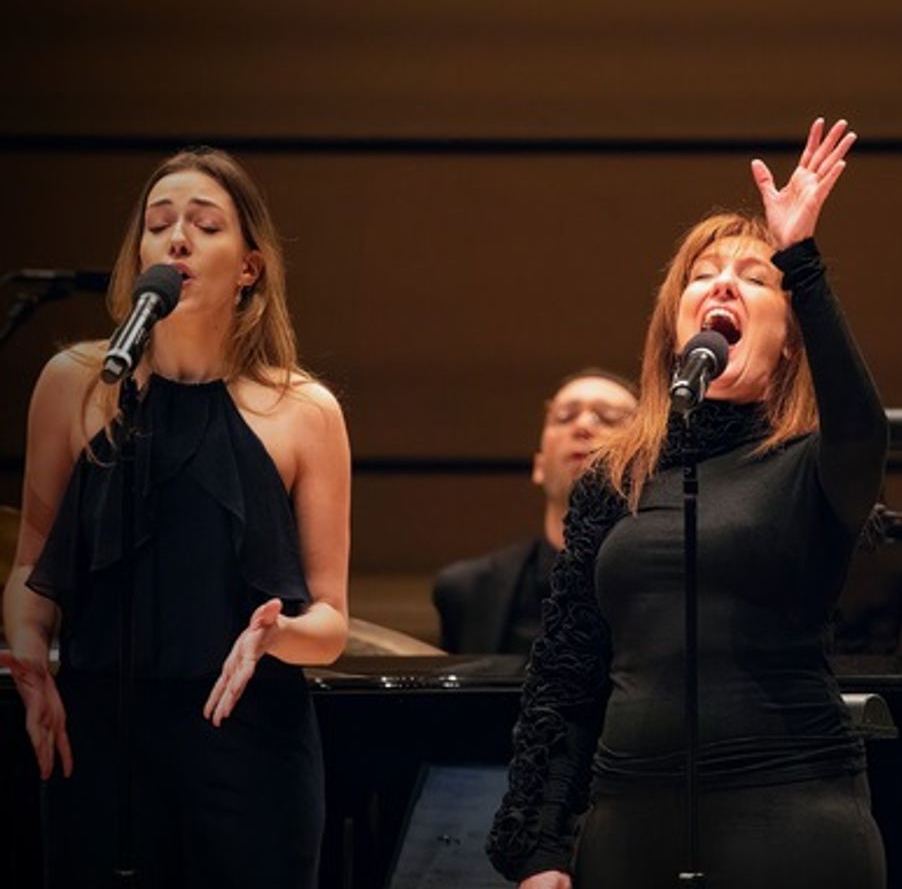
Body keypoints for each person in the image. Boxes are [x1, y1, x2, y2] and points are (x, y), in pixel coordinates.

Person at [485, 118, 888, 889]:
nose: (723, 284)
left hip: (790, 817)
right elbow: (567, 671)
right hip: (628, 829)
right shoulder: (616, 477)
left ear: (790, 337)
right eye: (702, 275)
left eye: (754, 277)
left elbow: (863, 428)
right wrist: (539, 846)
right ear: (675, 327)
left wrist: (799, 259)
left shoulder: (812, 463)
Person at [1, 146, 351, 888]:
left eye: (204, 225)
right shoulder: (74, 385)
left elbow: (331, 622)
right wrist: (30, 651)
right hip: (98, 739)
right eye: (158, 225)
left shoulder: (303, 411)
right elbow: (32, 562)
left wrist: (276, 634)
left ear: (250, 267)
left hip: (250, 745)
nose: (177, 239)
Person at [433, 369, 638, 654]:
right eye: (564, 417)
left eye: (609, 417)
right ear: (539, 466)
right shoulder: (468, 591)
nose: (583, 426)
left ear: (645, 464)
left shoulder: (669, 587)